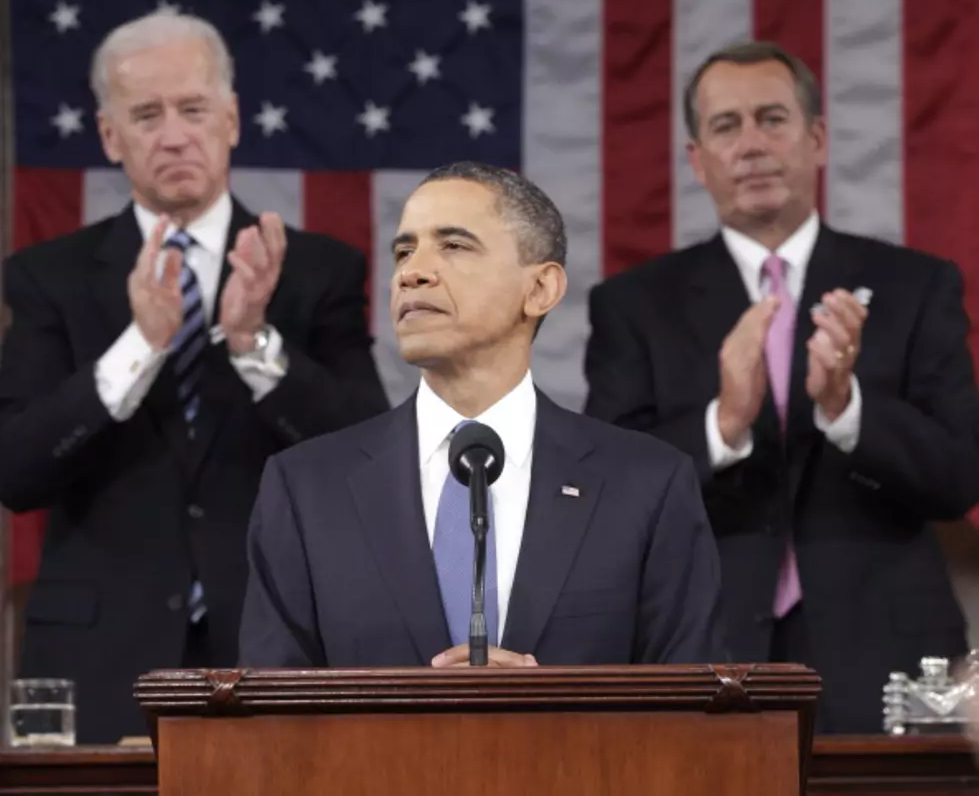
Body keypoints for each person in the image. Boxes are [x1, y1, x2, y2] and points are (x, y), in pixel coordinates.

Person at [0, 12, 389, 743]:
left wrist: (253, 342)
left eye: (193, 109)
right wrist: (139, 347)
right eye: (146, 114)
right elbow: (15, 470)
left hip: (274, 648)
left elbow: (364, 457)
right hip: (100, 658)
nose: (173, 134)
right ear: (111, 136)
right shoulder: (46, 277)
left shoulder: (314, 271)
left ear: (232, 119)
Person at [583, 40, 979, 733]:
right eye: (725, 127)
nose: (751, 145)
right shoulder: (634, 305)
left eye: (772, 118)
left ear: (817, 138)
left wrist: (845, 409)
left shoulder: (916, 285)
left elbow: (957, 476)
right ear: (695, 158)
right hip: (705, 655)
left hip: (886, 654)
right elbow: (610, 496)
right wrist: (723, 425)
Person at [238, 161, 725, 670]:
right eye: (404, 250)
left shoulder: (647, 485)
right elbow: (270, 723)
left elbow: (690, 715)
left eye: (453, 246)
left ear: (540, 290)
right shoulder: (306, 490)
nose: (412, 272)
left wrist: (548, 710)